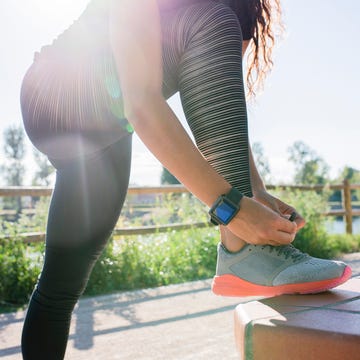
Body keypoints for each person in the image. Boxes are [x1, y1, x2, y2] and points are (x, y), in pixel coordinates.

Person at [20, 0, 351, 358]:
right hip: (55, 90)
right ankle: (242, 251)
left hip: (107, 127)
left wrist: (256, 191)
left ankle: (242, 251)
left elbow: (223, 113)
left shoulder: (238, 9)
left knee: (60, 286)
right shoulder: (206, 18)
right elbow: (142, 103)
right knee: (210, 18)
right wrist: (233, 211)